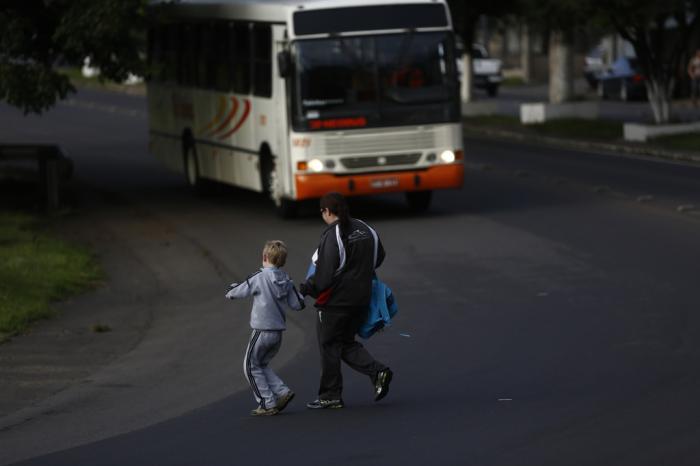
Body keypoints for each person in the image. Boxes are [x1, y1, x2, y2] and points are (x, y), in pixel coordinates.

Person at [300, 192, 393, 409]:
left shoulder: (333, 234)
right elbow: (380, 256)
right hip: (361, 298)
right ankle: (378, 372)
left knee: (330, 345)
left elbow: (324, 276)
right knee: (345, 343)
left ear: (326, 211)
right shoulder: (365, 228)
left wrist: (305, 289)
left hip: (336, 302)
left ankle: (330, 395)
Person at [225, 240, 305, 416]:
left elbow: (239, 290)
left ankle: (267, 402)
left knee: (249, 366)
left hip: (261, 331)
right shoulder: (286, 280)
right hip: (277, 333)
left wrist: (230, 290)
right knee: (260, 364)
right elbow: (298, 305)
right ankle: (282, 391)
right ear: (282, 261)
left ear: (264, 257)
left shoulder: (259, 277)